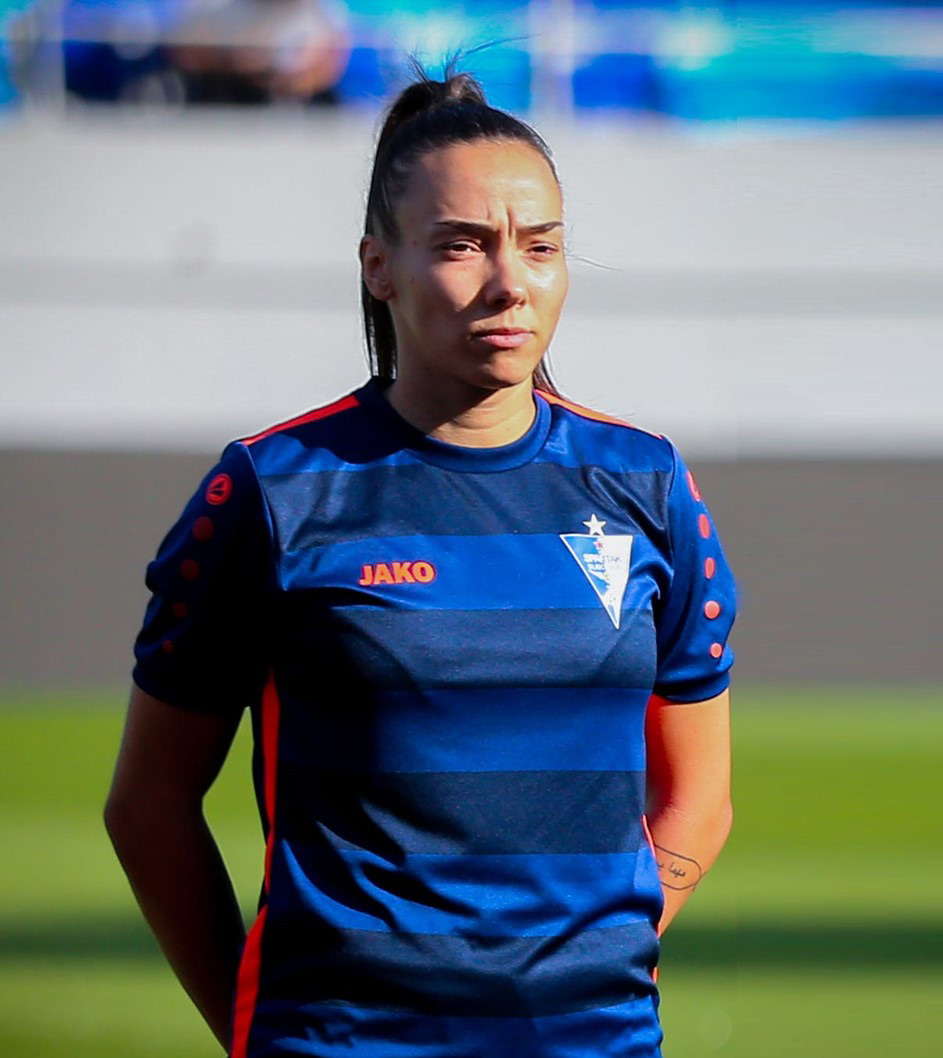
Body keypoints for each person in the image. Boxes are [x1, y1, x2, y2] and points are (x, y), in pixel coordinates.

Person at [105, 66, 737, 1058]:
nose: (510, 282)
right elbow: (148, 805)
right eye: (461, 245)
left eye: (540, 246)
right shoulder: (271, 492)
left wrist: (587, 954)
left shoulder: (646, 484)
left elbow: (699, 793)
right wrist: (258, 1028)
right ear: (379, 266)